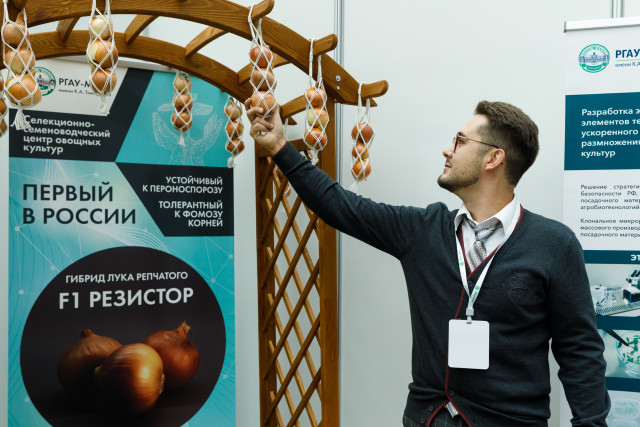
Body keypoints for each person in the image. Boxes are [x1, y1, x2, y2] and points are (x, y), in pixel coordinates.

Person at [245, 100, 610, 427]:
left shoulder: (554, 244)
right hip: (428, 418)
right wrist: (279, 147)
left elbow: (579, 349)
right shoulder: (423, 230)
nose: (447, 150)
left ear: (493, 159)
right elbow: (339, 205)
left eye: (460, 141)